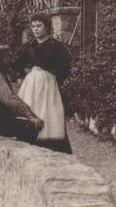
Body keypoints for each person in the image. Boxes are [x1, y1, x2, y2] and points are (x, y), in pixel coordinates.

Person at [12, 12, 73, 153]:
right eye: (33, 26)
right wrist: (22, 76)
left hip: (48, 86)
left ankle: (50, 145)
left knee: (48, 113)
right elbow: (15, 63)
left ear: (47, 27)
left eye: (39, 26)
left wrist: (54, 79)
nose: (36, 29)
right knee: (30, 110)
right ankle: (29, 143)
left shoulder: (56, 47)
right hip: (31, 85)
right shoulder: (28, 46)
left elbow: (65, 68)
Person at [0, 45, 44, 142]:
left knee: (26, 124)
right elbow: (10, 100)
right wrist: (31, 117)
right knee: (30, 127)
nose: (10, 60)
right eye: (7, 57)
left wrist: (31, 114)